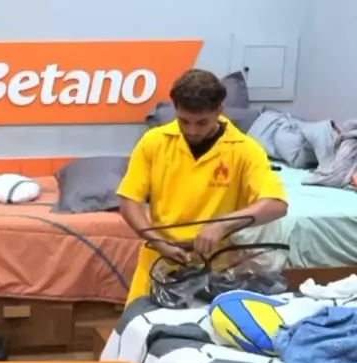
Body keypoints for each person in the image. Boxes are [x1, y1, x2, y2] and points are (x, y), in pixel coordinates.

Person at [116, 68, 289, 305]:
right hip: (158, 262)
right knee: (139, 326)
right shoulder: (153, 143)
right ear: (175, 109)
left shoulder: (244, 149)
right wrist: (159, 243)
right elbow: (128, 203)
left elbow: (277, 205)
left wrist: (222, 225)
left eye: (202, 122)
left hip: (217, 272)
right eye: (184, 121)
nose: (192, 130)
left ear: (219, 110)